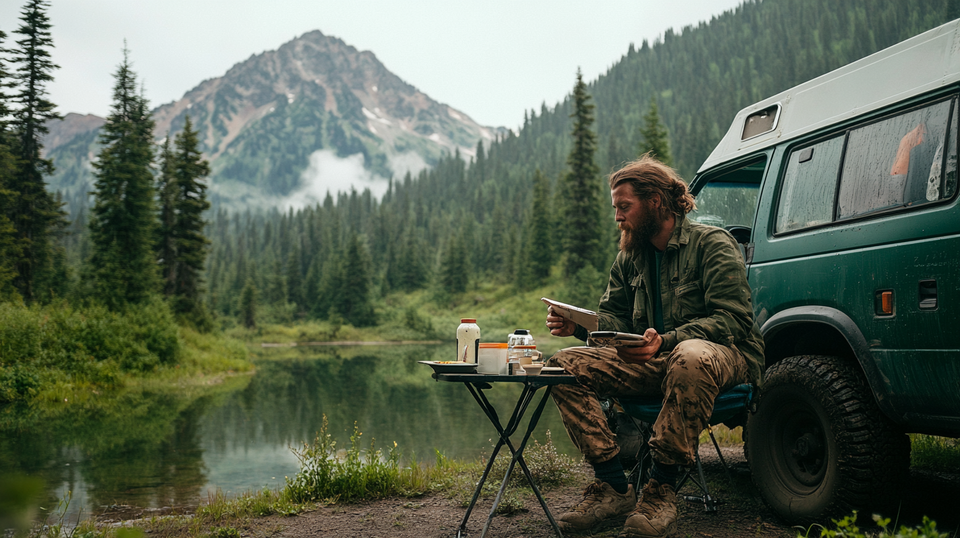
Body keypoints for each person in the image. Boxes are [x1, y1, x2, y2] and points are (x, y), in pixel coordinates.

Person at [545, 154, 764, 537]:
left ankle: (661, 492)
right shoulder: (630, 257)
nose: (618, 216)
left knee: (689, 355)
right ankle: (613, 486)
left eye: (624, 207)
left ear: (656, 202)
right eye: (616, 208)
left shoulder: (711, 244)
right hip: (655, 360)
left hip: (723, 356)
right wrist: (578, 326)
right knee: (562, 365)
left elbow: (734, 320)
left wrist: (666, 339)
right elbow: (612, 321)